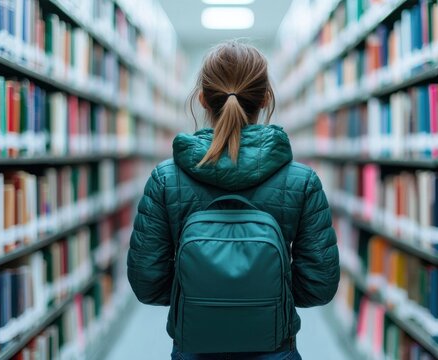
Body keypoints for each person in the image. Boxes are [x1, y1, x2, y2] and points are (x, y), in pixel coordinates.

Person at [127, 40, 340, 360]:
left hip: (194, 347)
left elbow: (148, 283)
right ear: (266, 98)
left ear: (201, 99)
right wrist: (263, 297)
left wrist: (202, 294)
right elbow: (318, 286)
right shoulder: (302, 181)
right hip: (274, 349)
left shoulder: (165, 179)